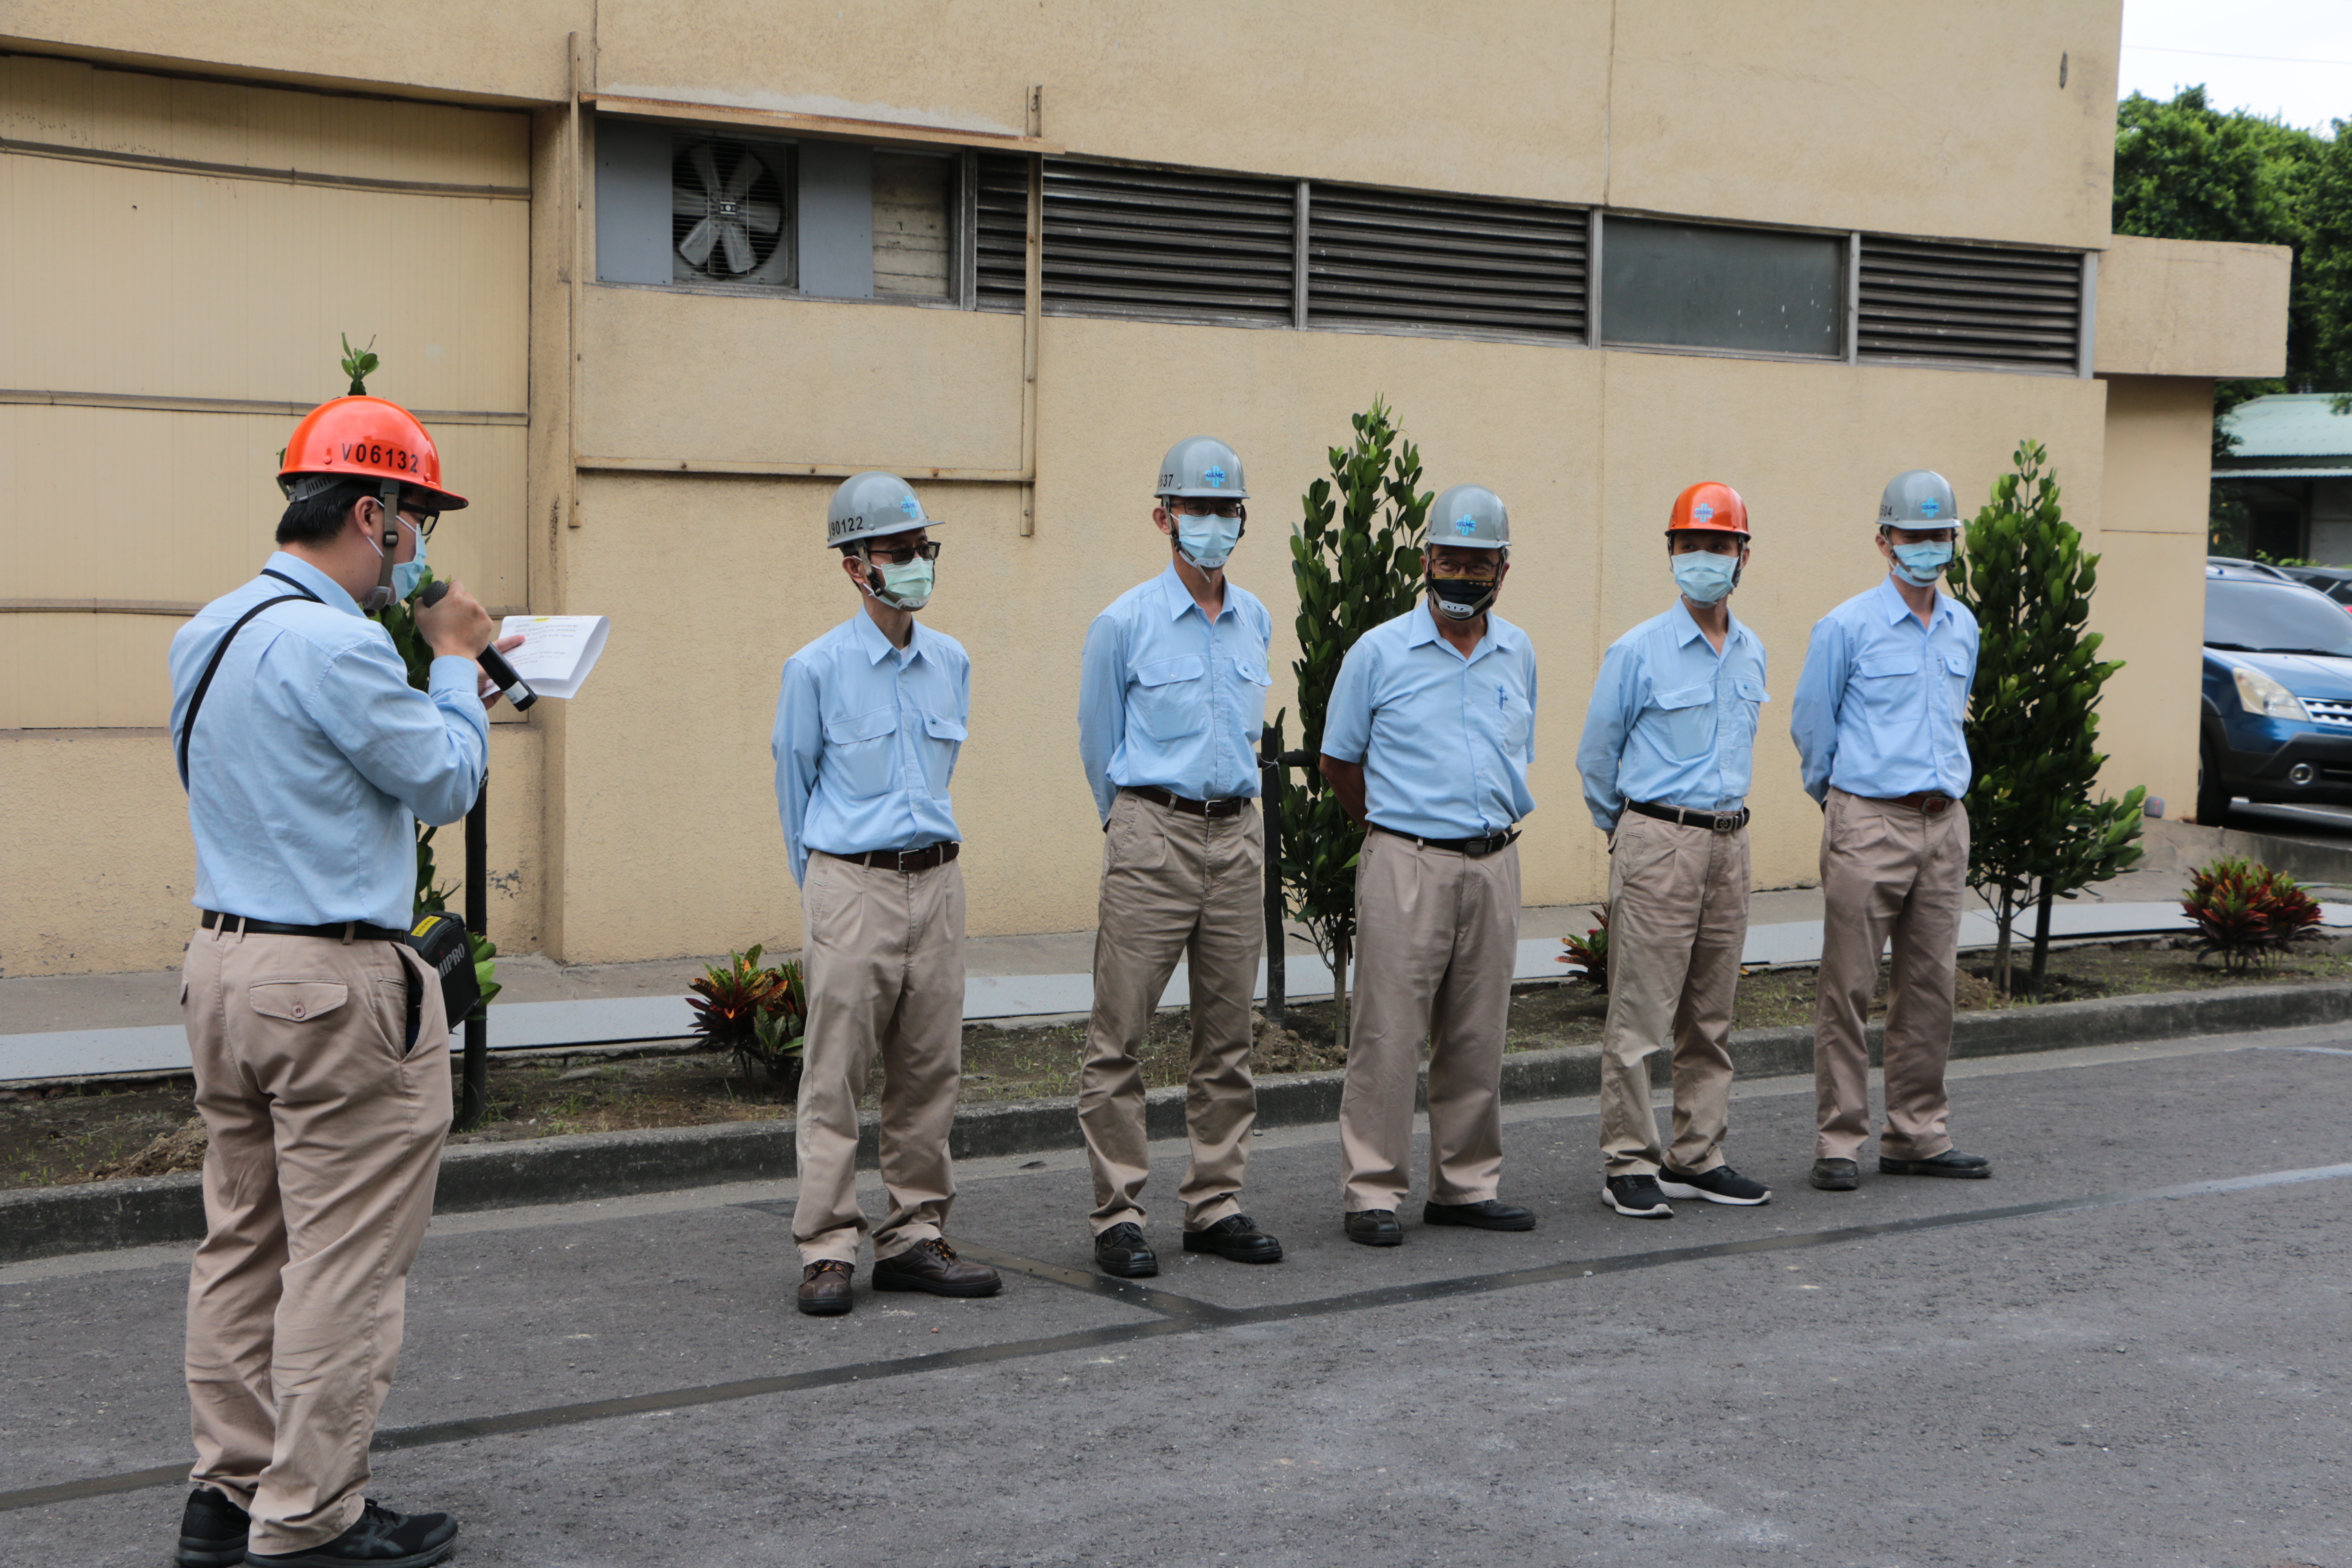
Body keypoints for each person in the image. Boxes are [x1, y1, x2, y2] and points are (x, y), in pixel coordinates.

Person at [170, 395, 520, 1568]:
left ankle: (226, 1493)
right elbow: (442, 783)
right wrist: (458, 663)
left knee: (244, 1241)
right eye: (414, 516)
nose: (418, 543)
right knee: (343, 1259)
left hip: (223, 965)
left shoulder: (211, 628)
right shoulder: (337, 643)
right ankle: (310, 1513)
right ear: (371, 514)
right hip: (327, 982)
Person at [774, 471, 1001, 1315]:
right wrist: (828, 891)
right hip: (851, 883)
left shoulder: (953, 663)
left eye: (923, 550)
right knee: (836, 1074)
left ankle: (913, 1234)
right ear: (855, 565)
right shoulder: (816, 670)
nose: (916, 565)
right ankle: (828, 1245)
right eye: (899, 553)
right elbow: (794, 786)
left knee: (928, 1068)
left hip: (937, 880)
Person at [1074, 436, 1284, 1279]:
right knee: (1119, 1034)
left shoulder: (1256, 618)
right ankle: (1117, 1212)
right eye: (1196, 508)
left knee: (1226, 1035)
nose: (1211, 523)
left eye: (1225, 508)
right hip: (1152, 830)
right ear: (1163, 516)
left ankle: (1215, 1203)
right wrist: (1129, 826)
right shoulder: (1122, 624)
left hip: (1236, 834)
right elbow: (1097, 742)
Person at [1319, 484, 1540, 1246]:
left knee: (1478, 1033)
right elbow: (1338, 760)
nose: (1463, 573)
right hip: (1407, 861)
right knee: (1388, 1033)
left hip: (1494, 862)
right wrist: (1396, 830)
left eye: (1479, 562)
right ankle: (1372, 1189)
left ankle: (1465, 1185)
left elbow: (1518, 756)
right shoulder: (1378, 652)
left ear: (1503, 569)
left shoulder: (1519, 651)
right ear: (1426, 559)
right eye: (1450, 557)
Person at [1575, 483, 1775, 1219]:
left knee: (1712, 1014)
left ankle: (1698, 1154)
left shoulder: (1753, 650)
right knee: (1640, 1014)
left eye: (1718, 546)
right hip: (1660, 835)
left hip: (1730, 842)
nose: (1703, 559)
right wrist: (1628, 831)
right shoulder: (1638, 650)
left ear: (1743, 556)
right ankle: (1629, 1160)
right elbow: (1597, 755)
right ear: (1670, 553)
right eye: (1689, 545)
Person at [1790, 469, 1992, 1192]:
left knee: (1931, 985)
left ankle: (1917, 1132)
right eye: (1914, 535)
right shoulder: (1847, 626)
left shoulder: (1963, 624)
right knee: (1848, 984)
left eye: (1941, 536)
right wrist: (1841, 803)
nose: (1929, 548)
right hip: (1868, 815)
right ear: (1884, 540)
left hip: (1945, 821)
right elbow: (1812, 725)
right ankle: (1839, 1139)